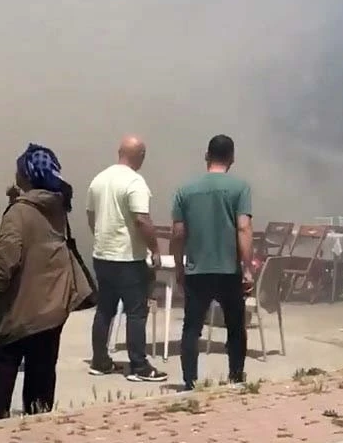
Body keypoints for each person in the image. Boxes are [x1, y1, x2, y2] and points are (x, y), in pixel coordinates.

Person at [0, 143, 90, 420]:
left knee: (1, 368)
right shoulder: (58, 206)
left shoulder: (19, 212)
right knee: (41, 375)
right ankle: (39, 425)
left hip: (17, 310)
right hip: (52, 308)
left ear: (27, 175)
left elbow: (7, 259)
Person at [171, 134, 253, 390]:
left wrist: (179, 267)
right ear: (232, 158)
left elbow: (178, 233)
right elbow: (243, 228)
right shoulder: (240, 188)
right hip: (229, 270)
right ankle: (236, 377)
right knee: (235, 327)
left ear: (206, 156)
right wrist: (247, 268)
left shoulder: (185, 190)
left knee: (191, 328)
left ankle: (190, 381)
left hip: (197, 271)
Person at [85, 136, 167, 382]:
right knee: (136, 312)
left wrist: (103, 237)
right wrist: (155, 249)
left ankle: (100, 361)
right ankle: (139, 366)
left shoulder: (99, 179)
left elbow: (91, 215)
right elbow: (141, 219)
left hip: (103, 256)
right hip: (129, 258)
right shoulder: (135, 181)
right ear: (140, 155)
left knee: (105, 310)